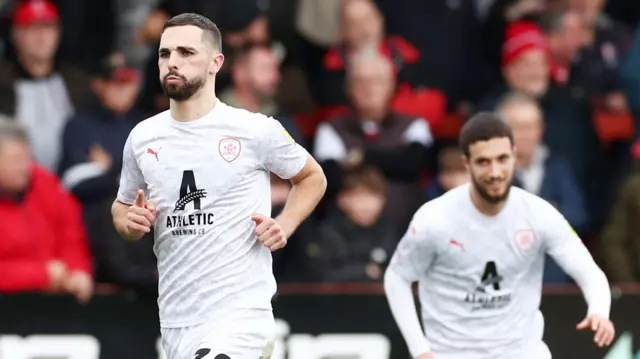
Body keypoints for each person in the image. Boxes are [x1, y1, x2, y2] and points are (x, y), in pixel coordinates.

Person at [110, 13, 326, 359]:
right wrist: (129, 222)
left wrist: (284, 224)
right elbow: (122, 207)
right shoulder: (142, 137)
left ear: (216, 63)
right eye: (165, 54)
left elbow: (313, 177)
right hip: (177, 318)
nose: (172, 62)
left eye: (186, 53)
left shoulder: (254, 129)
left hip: (240, 316)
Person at [383, 112, 614, 359]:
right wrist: (420, 350)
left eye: (502, 159)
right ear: (467, 163)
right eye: (483, 162)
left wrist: (599, 310)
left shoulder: (539, 213)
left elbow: (588, 271)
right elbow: (397, 278)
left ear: (515, 155)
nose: (495, 171)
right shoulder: (434, 220)